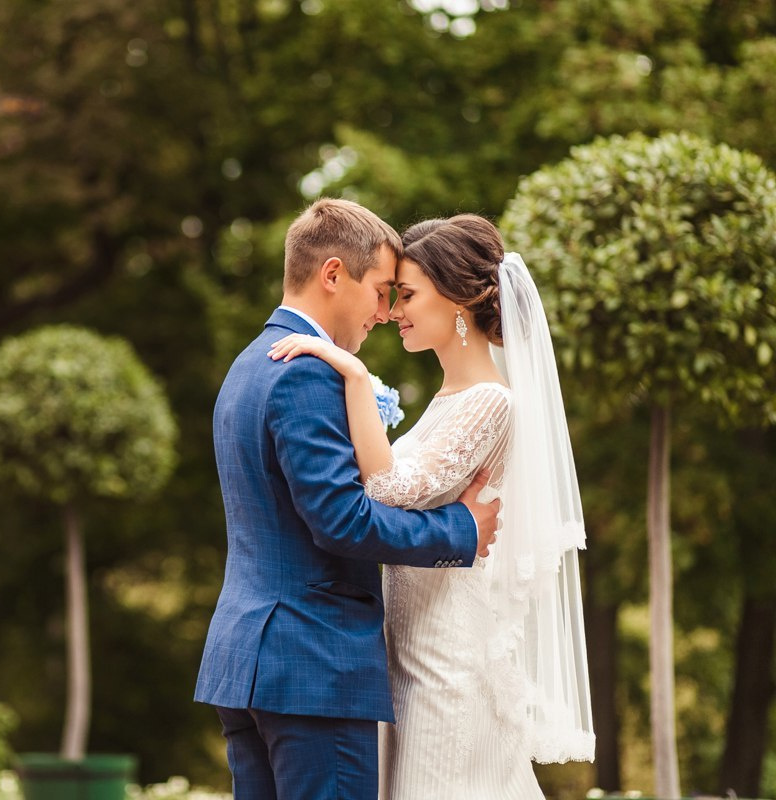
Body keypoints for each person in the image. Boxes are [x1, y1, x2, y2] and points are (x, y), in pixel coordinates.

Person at [267, 213, 595, 799]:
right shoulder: (448, 400)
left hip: (446, 659)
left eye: (409, 295)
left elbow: (389, 489)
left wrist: (355, 375)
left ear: (461, 301)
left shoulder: (491, 402)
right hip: (410, 654)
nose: (393, 312)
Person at [194, 199, 502, 800]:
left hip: (248, 663)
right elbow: (340, 521)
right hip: (312, 667)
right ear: (333, 275)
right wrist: (460, 531)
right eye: (383, 290)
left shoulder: (248, 364)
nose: (386, 313)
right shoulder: (305, 372)